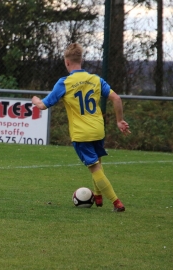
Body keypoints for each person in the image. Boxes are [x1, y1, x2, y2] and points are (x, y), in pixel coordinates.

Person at [32, 43, 130, 212]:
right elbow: (116, 98)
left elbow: (43, 106)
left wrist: (35, 101)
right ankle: (98, 196)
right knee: (97, 162)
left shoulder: (65, 83)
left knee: (95, 168)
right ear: (81, 60)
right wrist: (119, 120)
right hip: (98, 130)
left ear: (67, 62)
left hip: (81, 134)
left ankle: (116, 202)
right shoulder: (96, 80)